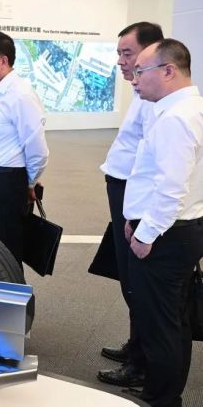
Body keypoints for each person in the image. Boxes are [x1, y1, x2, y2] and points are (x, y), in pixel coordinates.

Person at [122, 38, 203, 407]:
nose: (134, 78)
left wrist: (145, 233)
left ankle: (162, 399)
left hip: (166, 234)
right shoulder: (186, 109)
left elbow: (171, 189)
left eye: (141, 70)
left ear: (169, 71)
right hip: (177, 228)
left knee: (160, 326)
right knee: (174, 320)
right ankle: (164, 394)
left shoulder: (176, 118)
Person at [97, 22, 163, 388]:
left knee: (137, 282)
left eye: (127, 53)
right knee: (128, 279)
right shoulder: (140, 94)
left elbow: (156, 167)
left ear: (151, 53)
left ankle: (141, 362)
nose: (121, 61)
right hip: (122, 191)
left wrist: (138, 215)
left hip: (133, 196)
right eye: (119, 53)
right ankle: (137, 347)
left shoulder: (155, 102)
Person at [0, 31, 49, 265]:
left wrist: (28, 183)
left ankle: (12, 289)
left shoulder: (20, 95)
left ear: (3, 61)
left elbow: (37, 149)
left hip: (4, 186)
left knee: (5, 253)